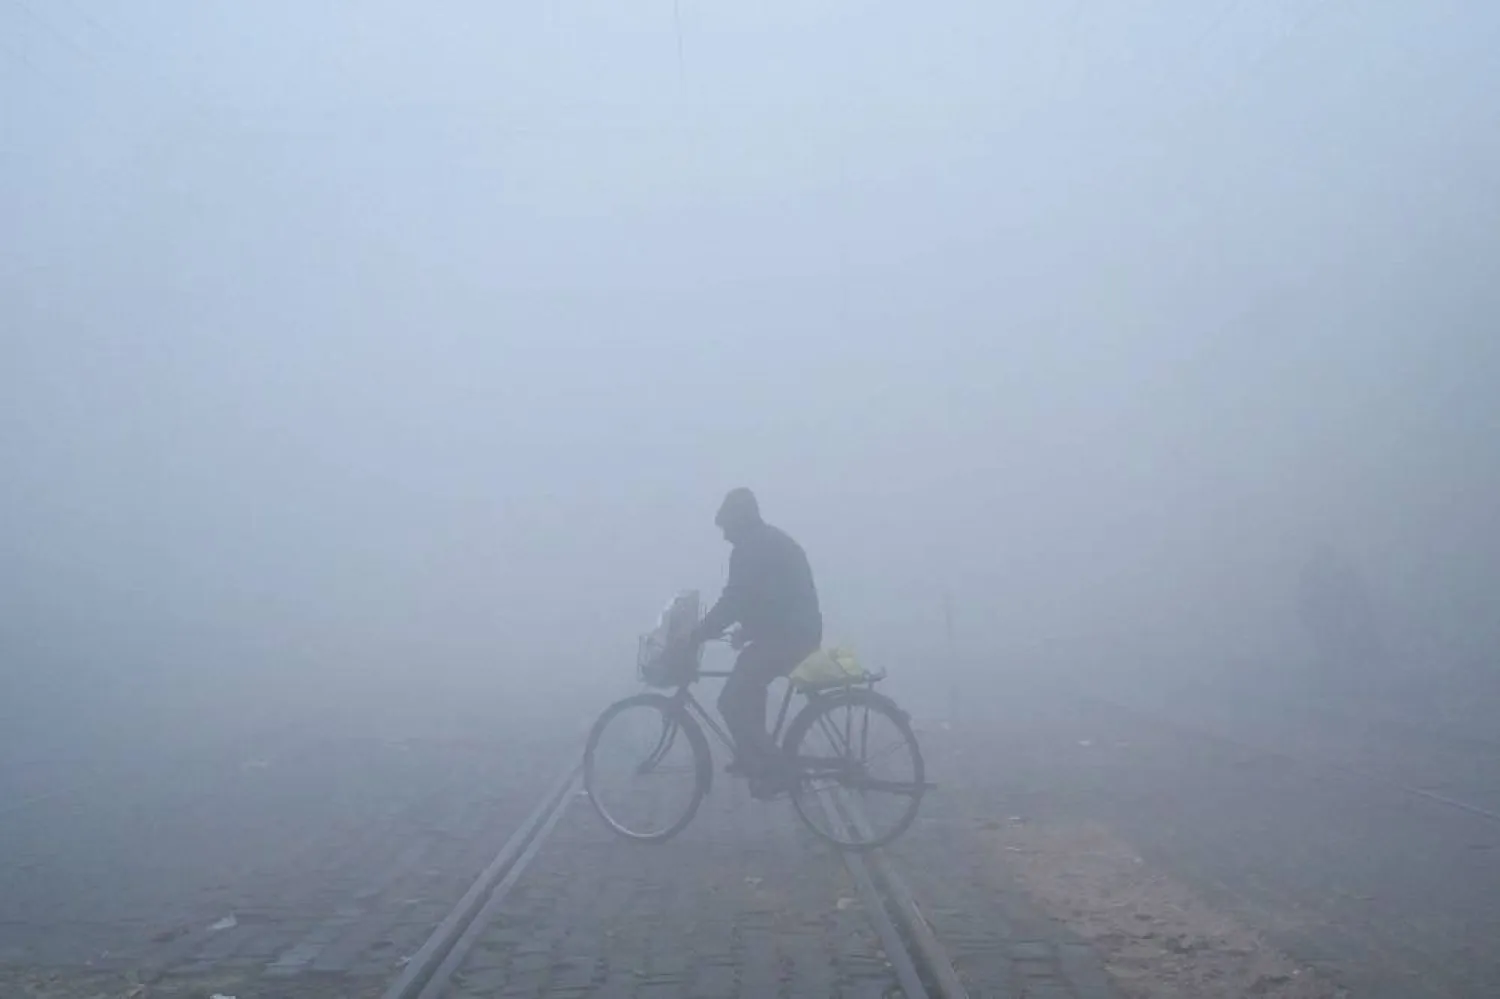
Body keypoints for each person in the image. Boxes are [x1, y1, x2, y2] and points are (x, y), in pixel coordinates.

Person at [689, 488, 823, 790]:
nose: (725, 537)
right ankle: (755, 757)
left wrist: (699, 633)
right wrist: (748, 631)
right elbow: (768, 598)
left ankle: (773, 768)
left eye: (727, 528)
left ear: (740, 521)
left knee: (730, 700)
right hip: (794, 632)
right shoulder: (766, 540)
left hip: (790, 638)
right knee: (749, 684)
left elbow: (735, 598)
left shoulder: (751, 548)